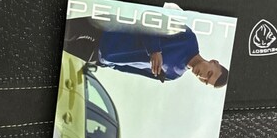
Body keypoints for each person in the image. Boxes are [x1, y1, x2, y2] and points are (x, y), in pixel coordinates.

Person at [63, 17, 229, 87]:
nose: (202, 77)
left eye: (206, 81)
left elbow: (134, 70)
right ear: (213, 62)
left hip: (99, 57)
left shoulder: (173, 75)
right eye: (209, 73)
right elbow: (150, 19)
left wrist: (109, 65)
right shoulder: (188, 37)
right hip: (106, 30)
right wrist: (154, 49)